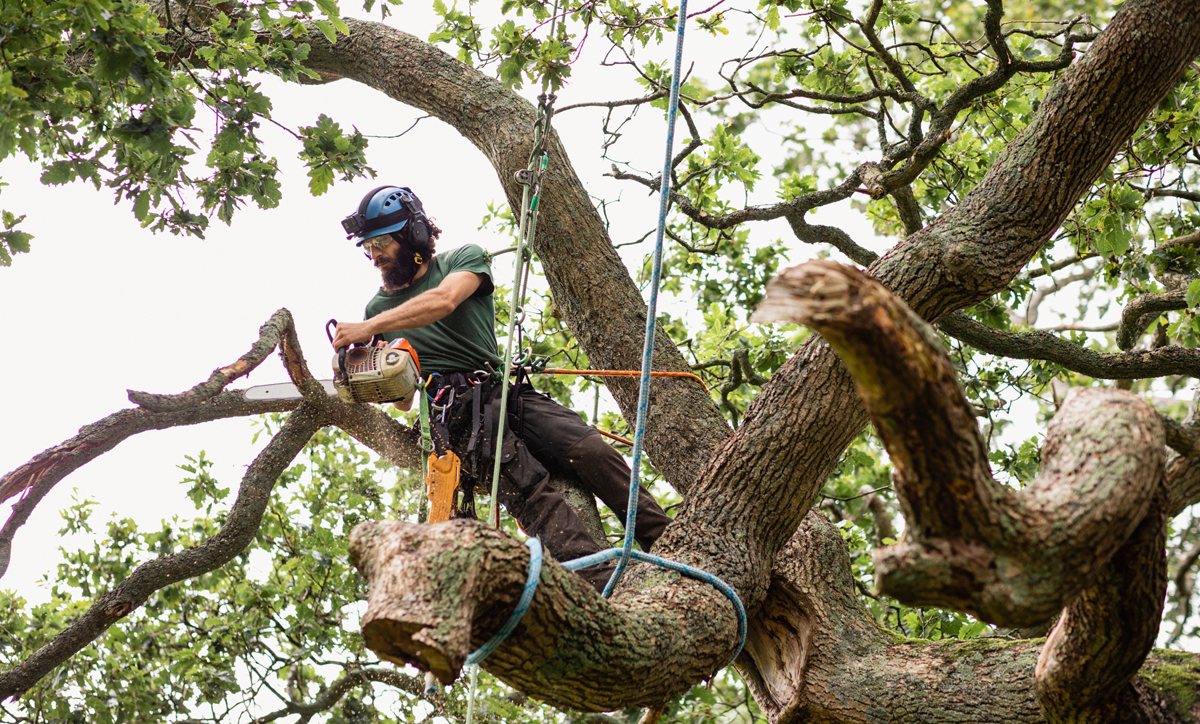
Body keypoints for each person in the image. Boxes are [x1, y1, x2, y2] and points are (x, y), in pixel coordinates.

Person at [330, 185, 673, 591]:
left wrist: (370, 328)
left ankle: (670, 543)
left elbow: (443, 301)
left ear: (415, 235)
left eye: (383, 242)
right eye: (368, 246)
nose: (375, 255)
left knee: (590, 449)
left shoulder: (463, 260)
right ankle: (603, 586)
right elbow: (405, 401)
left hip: (502, 391)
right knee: (531, 490)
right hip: (455, 412)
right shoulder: (378, 309)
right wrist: (374, 372)